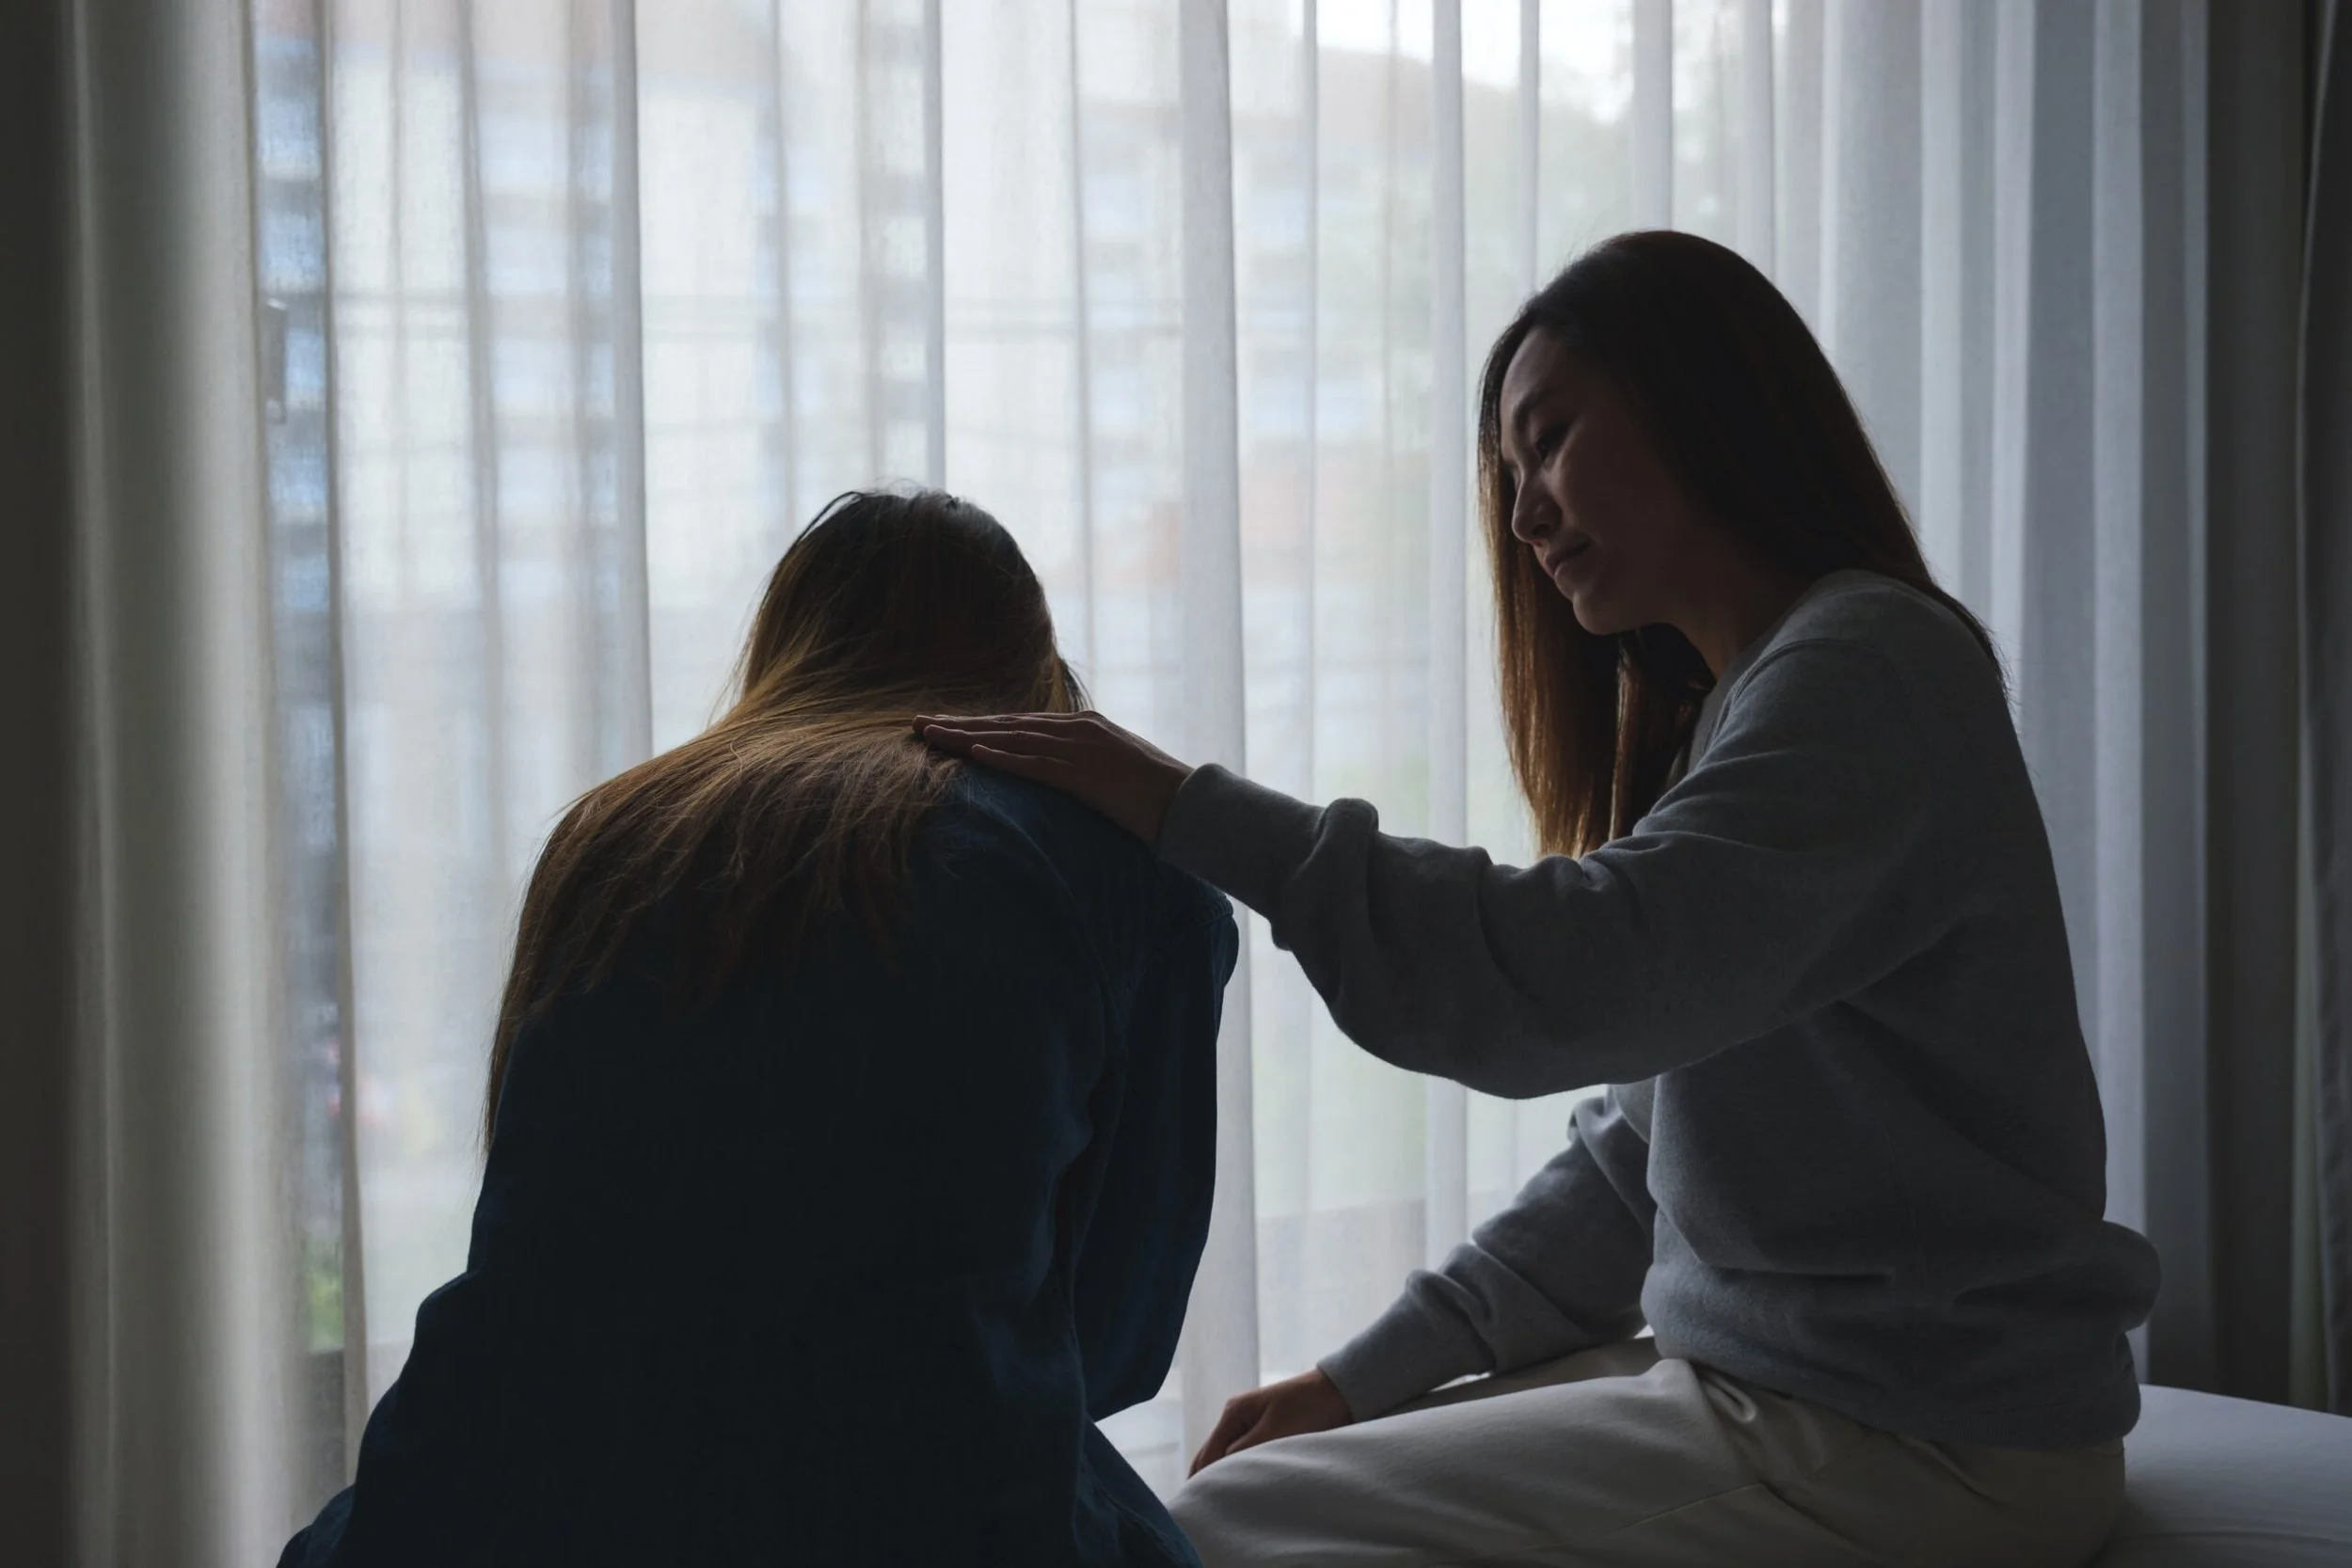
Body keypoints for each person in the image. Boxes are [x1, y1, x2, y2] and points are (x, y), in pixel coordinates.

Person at [919, 230, 2162, 1568]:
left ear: (1704, 401)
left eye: (1553, 439)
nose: (1524, 516)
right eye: (1509, 475)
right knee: (1241, 1490)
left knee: (1219, 1529)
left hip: (1925, 1437)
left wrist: (1180, 805)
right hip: (1826, 1398)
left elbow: (1554, 981)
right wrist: (1357, 1379)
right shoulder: (1756, 710)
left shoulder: (1870, 670)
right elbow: (1638, 1162)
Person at [279, 490, 1238, 1568]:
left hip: (480, 1485)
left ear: (788, 641)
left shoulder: (616, 832)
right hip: (903, 1495)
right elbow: (1113, 1339)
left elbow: (535, 1235)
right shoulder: (1130, 878)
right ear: (1029, 656)